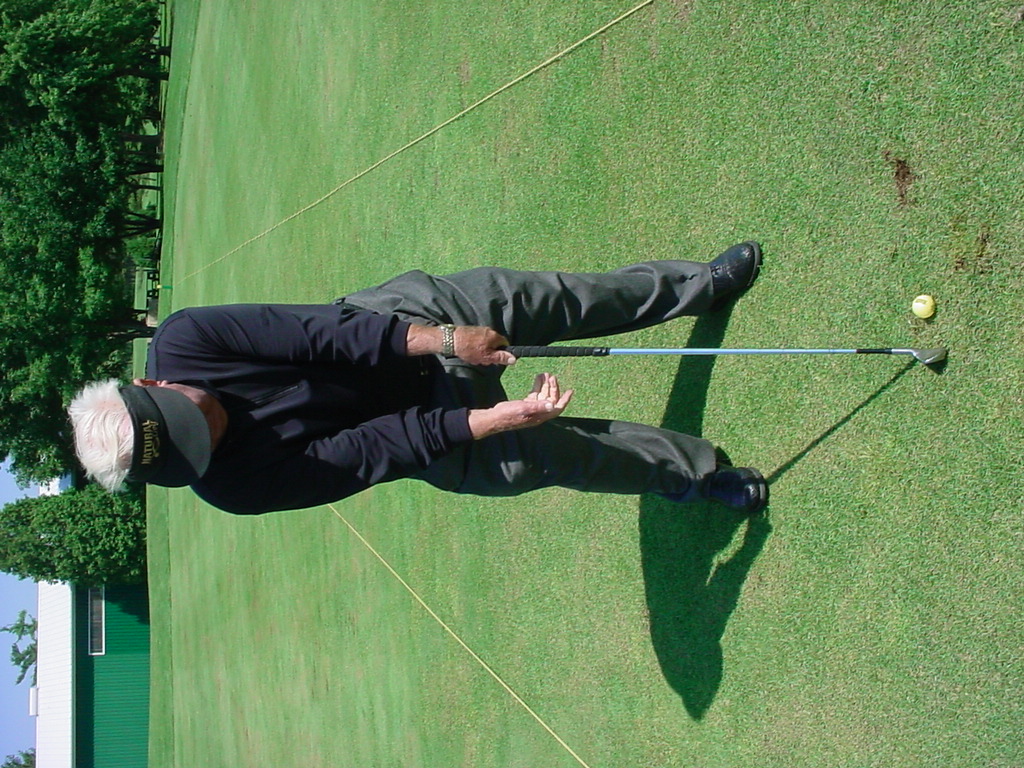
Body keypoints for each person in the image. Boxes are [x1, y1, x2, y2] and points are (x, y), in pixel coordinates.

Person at [68, 243, 769, 515]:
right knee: (538, 456)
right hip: (419, 435)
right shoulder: (232, 487)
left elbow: (325, 333)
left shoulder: (188, 337)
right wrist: (494, 420)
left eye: (190, 418)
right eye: (193, 448)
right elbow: (373, 450)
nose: (208, 430)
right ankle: (698, 475)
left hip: (398, 331)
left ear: (152, 386)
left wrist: (450, 339)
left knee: (547, 300)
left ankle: (698, 286)